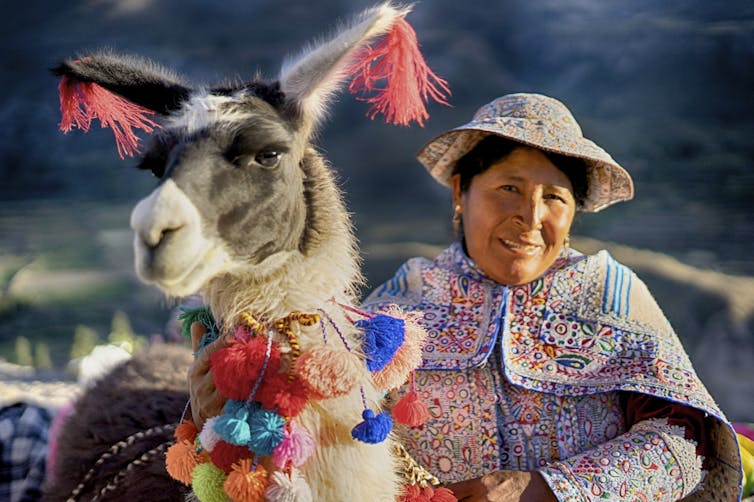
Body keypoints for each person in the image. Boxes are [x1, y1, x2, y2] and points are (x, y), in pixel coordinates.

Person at [189, 93, 743, 501]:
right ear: (461, 192)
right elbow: (329, 437)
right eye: (509, 189)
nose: (531, 217)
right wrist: (220, 402)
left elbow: (682, 447)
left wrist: (542, 490)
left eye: (555, 197)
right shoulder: (402, 300)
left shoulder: (613, 294)